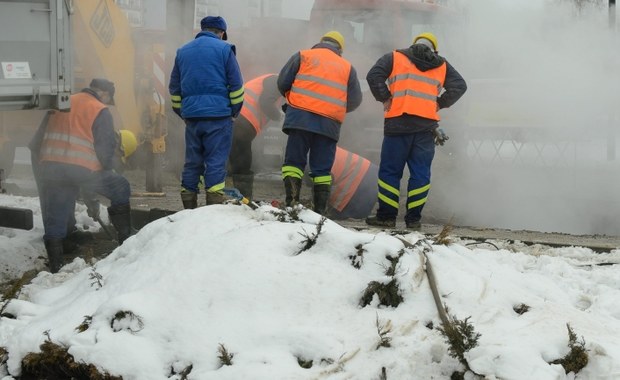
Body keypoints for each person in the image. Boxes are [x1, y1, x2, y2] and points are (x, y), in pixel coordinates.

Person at [365, 32, 467, 230]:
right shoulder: (442, 65)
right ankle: (413, 220)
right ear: (434, 50)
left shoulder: (394, 57)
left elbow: (373, 75)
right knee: (420, 174)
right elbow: (460, 86)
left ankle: (386, 217)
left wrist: (384, 97)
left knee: (390, 172)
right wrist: (439, 103)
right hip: (426, 128)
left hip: (398, 124)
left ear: (413, 45)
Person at [30, 78, 133, 273]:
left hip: (51, 166)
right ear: (105, 93)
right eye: (108, 98)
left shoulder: (62, 100)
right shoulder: (99, 109)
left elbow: (40, 136)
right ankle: (125, 240)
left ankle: (56, 265)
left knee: (57, 210)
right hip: (80, 168)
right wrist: (107, 170)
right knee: (120, 187)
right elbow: (104, 147)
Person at [277, 31, 363, 214]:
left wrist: (292, 100)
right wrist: (334, 107)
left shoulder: (303, 55)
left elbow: (283, 82)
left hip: (299, 119)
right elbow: (355, 100)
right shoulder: (347, 67)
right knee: (322, 169)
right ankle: (320, 211)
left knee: (293, 162)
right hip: (329, 124)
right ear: (340, 49)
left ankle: (292, 203)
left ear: (320, 42)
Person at [169, 15, 244, 209]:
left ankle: (189, 209)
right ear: (221, 33)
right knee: (216, 160)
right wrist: (234, 112)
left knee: (192, 161)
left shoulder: (182, 51)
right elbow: (236, 86)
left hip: (192, 117)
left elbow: (174, 89)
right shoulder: (225, 50)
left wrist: (183, 113)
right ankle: (212, 209)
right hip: (219, 116)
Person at [229, 73, 282, 200]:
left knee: (237, 161)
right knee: (242, 162)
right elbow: (265, 103)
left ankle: (241, 198)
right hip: (243, 119)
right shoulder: (276, 81)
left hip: (238, 118)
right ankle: (243, 199)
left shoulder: (273, 83)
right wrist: (280, 116)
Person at [326, 146, 378, 220]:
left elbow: (322, 188)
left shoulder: (313, 157)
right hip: (371, 172)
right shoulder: (324, 146)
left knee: (337, 218)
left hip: (360, 186)